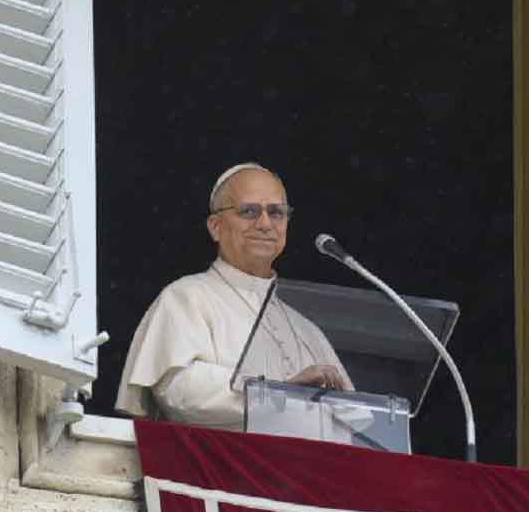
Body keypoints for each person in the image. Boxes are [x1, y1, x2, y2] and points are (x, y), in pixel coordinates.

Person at [115, 163, 353, 430]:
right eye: (249, 211)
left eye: (276, 212)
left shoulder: (307, 330)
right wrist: (275, 393)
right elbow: (178, 390)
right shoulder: (186, 297)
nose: (265, 223)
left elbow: (356, 421)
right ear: (215, 226)